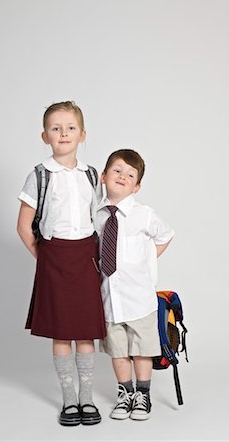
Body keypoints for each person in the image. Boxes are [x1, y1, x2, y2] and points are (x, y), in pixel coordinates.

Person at [17, 101, 106, 427]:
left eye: (70, 128)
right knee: (61, 333)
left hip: (85, 256)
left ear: (82, 135)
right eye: (56, 128)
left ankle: (87, 397)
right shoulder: (39, 176)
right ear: (45, 136)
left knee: (85, 333)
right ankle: (69, 400)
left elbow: (98, 218)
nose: (63, 133)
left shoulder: (91, 175)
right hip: (54, 257)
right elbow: (24, 226)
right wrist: (45, 259)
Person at [96, 149, 174, 421]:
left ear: (137, 185)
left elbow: (166, 234)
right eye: (116, 170)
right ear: (103, 176)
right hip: (110, 300)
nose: (122, 176)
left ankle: (143, 394)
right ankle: (124, 393)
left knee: (141, 351)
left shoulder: (143, 214)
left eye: (130, 174)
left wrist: (147, 260)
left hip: (139, 300)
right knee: (117, 351)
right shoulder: (97, 215)